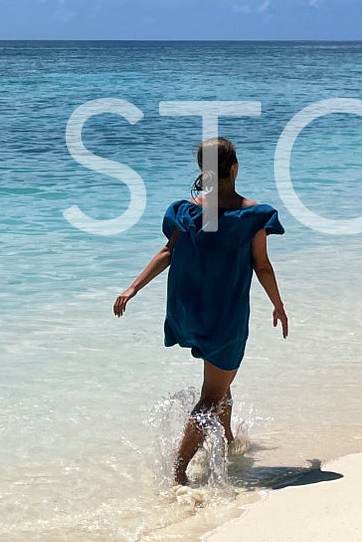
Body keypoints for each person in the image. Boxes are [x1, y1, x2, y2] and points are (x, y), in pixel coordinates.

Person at [113, 136, 289, 485]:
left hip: (188, 311)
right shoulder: (252, 215)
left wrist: (133, 288)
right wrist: (278, 304)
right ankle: (177, 471)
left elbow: (167, 252)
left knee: (220, 383)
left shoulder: (186, 210)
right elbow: (262, 266)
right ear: (234, 169)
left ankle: (226, 441)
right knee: (212, 394)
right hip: (225, 317)